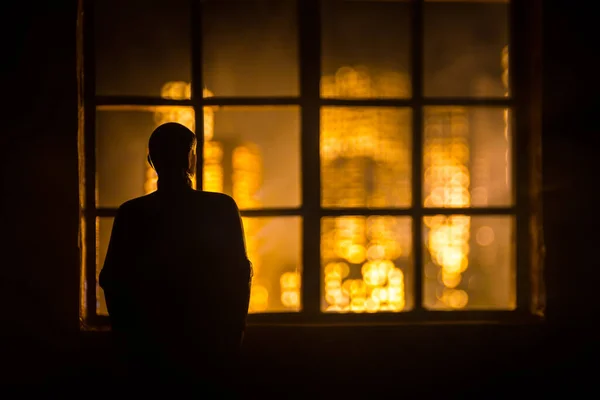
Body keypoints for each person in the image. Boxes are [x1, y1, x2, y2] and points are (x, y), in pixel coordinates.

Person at [99, 122, 252, 389]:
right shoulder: (221, 208)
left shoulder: (131, 213)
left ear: (151, 161)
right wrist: (232, 337)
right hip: (209, 345)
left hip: (148, 349)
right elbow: (240, 275)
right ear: (191, 159)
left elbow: (111, 280)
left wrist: (128, 339)